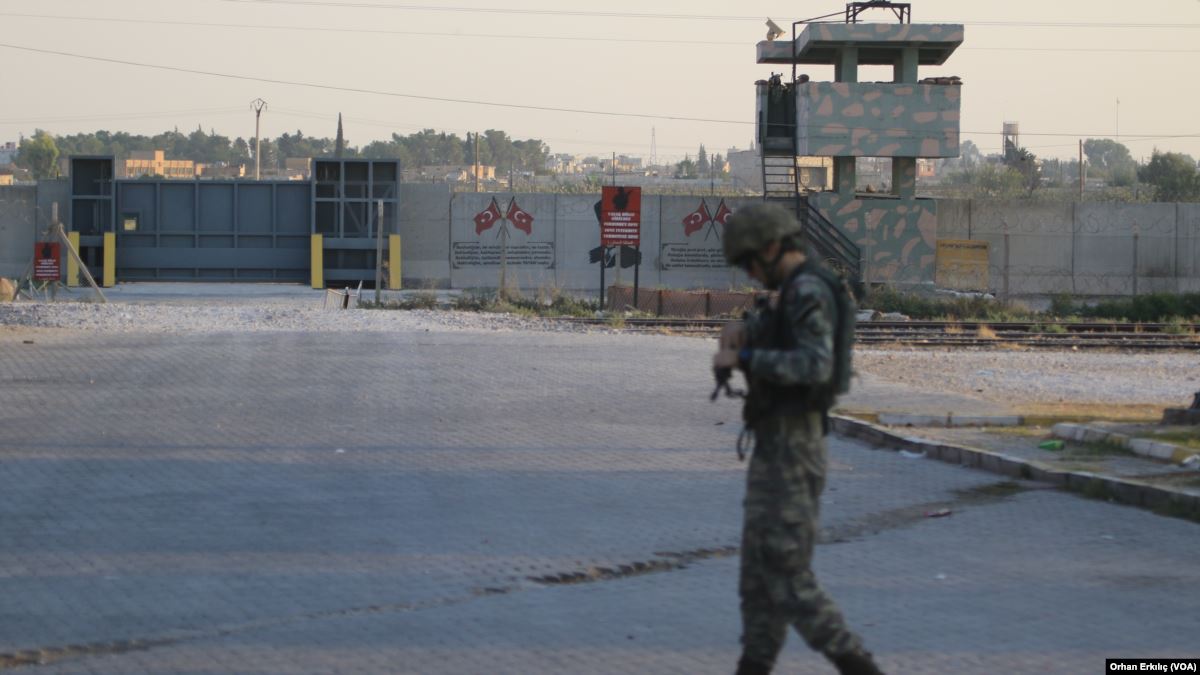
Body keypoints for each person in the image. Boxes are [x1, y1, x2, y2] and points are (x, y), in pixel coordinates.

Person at [713, 203, 883, 675]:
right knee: (758, 577)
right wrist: (745, 330)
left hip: (795, 445)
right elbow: (779, 334)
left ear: (771, 248)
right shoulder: (791, 292)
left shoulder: (808, 289)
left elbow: (815, 365)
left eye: (750, 262)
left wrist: (746, 357)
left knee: (786, 575)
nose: (749, 274)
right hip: (775, 444)